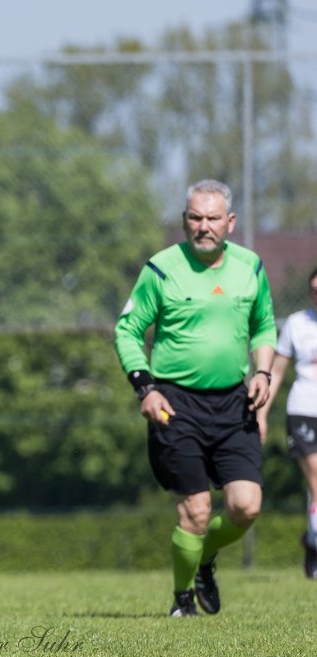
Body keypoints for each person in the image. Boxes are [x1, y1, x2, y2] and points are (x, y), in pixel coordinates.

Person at [114, 179, 277, 617]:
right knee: (197, 510)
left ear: (230, 222)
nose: (203, 226)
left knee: (246, 506)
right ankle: (182, 600)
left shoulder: (250, 267)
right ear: (185, 220)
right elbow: (127, 329)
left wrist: (262, 370)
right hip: (174, 403)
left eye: (212, 218)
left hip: (234, 403)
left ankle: (204, 558)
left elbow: (264, 326)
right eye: (195, 218)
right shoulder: (162, 267)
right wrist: (144, 388)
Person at [257, 266, 317, 580]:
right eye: (314, 290)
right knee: (316, 484)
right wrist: (262, 414)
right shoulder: (296, 323)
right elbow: (276, 371)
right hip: (304, 410)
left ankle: (311, 539)